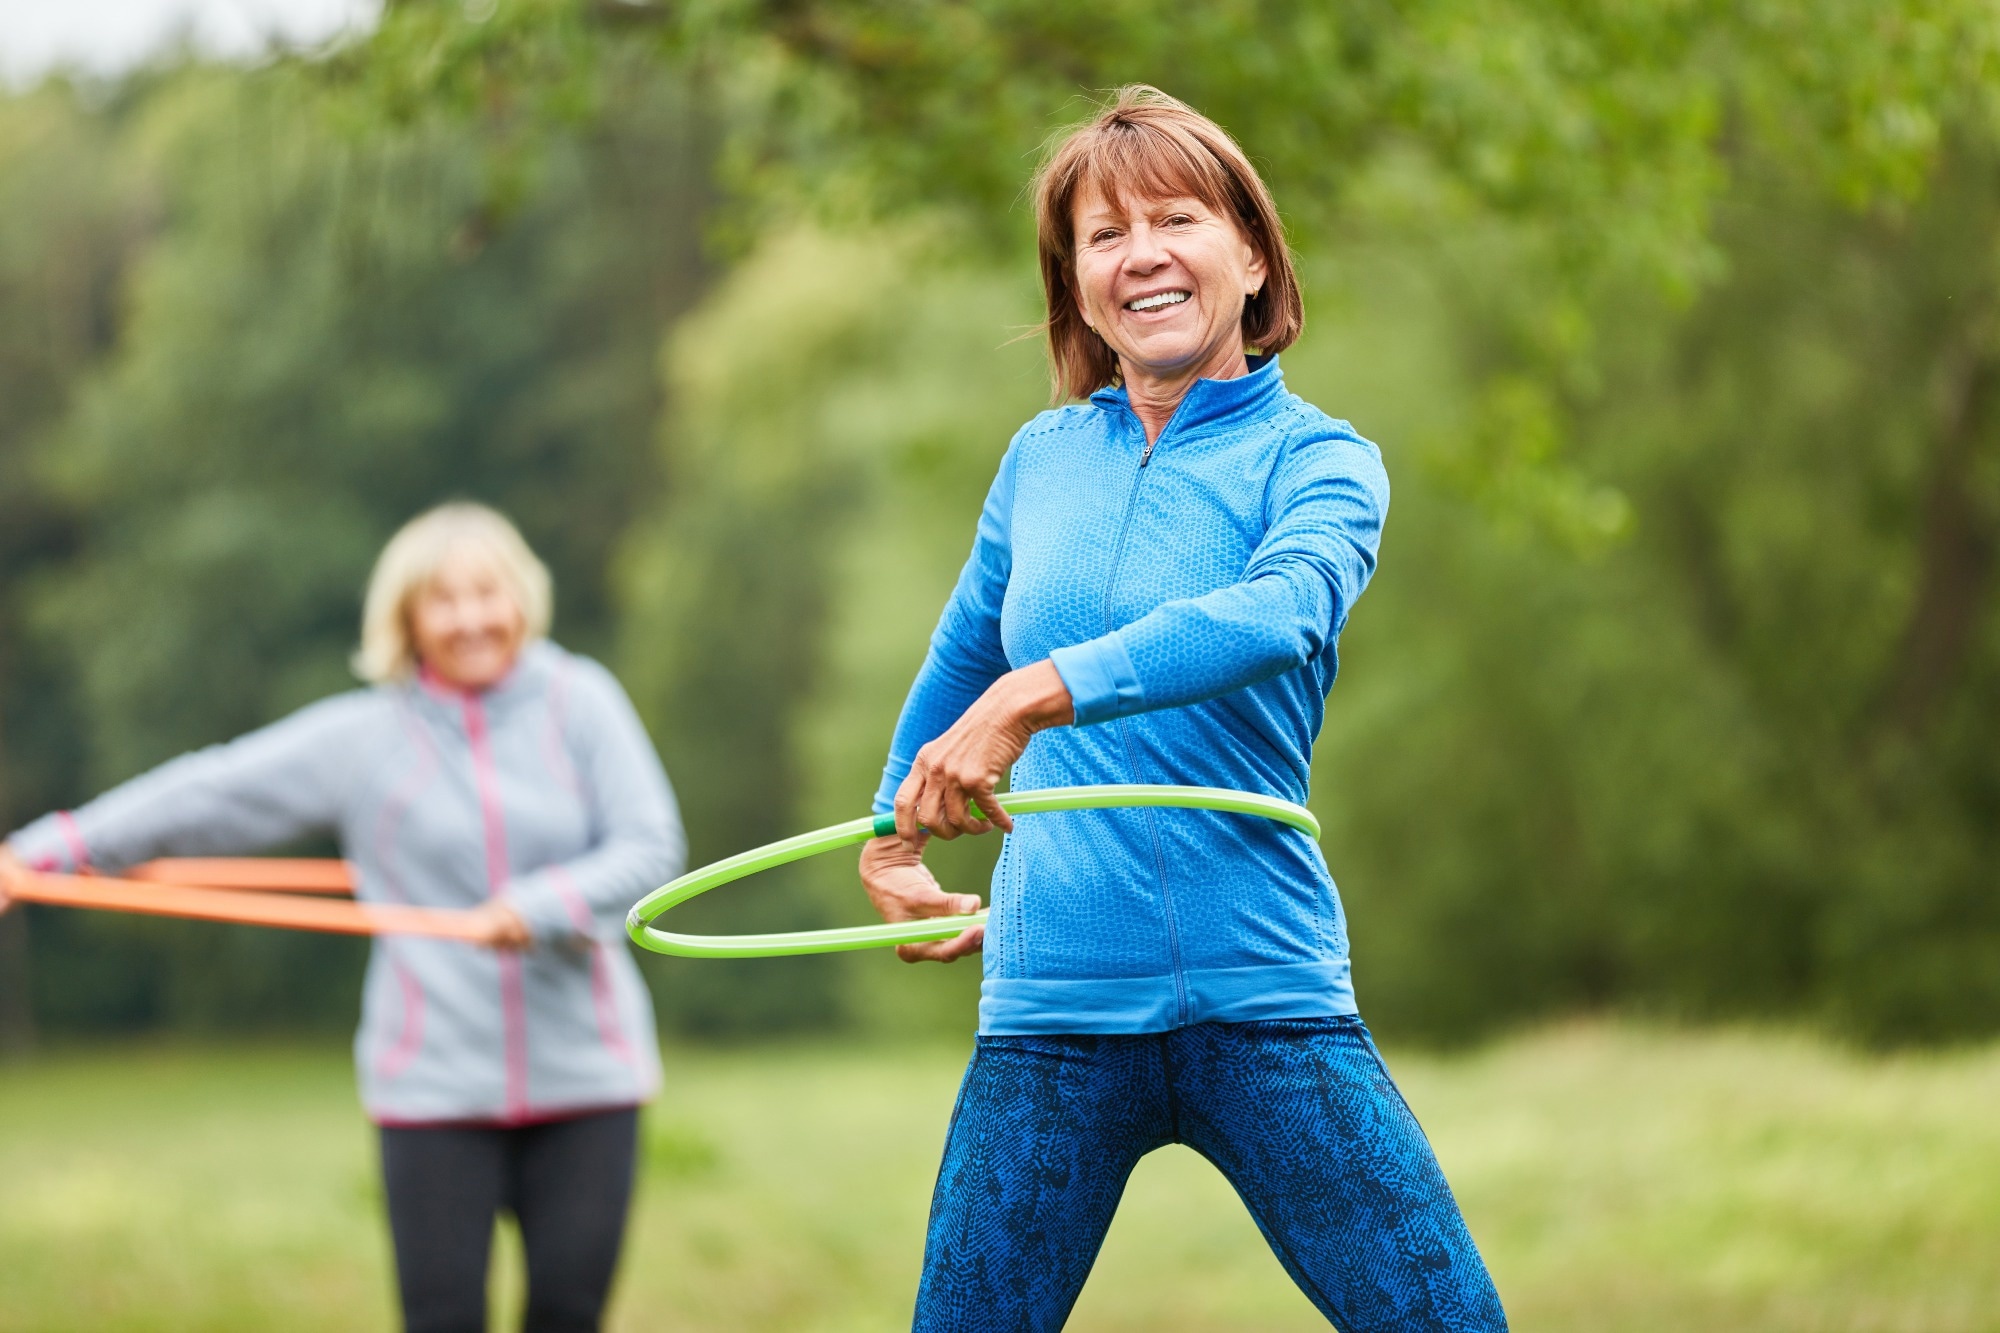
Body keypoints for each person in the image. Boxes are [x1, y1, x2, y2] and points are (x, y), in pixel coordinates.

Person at [858, 88, 1509, 1331]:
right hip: (1049, 1013)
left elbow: (1280, 613)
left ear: (1251, 256)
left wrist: (1038, 692)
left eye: (1175, 219)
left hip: (1266, 999)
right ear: (1077, 283)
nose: (1140, 254)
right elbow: (958, 659)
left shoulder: (1317, 459)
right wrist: (888, 837)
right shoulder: (1038, 462)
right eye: (1103, 236)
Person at [0, 502, 682, 1333]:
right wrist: (42, 851)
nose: (471, 618)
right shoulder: (366, 736)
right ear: (407, 619)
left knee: (568, 1316)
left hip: (589, 1079)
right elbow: (211, 791)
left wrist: (532, 908)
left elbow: (651, 846)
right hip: (431, 1088)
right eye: (443, 600)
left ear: (522, 599)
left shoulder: (584, 701)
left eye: (487, 593)